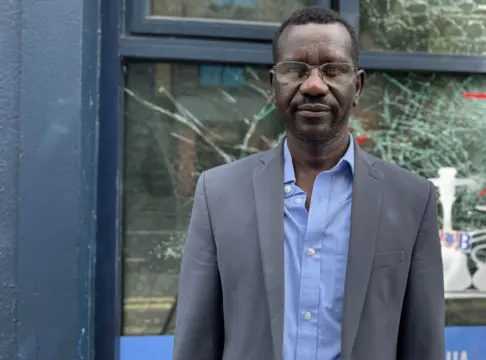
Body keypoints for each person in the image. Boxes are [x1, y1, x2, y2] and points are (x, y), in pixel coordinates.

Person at [172, 6, 444, 360]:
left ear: (357, 85)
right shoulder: (218, 193)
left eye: (333, 69)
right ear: (273, 85)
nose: (314, 85)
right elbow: (195, 341)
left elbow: (424, 346)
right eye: (295, 70)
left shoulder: (411, 199)